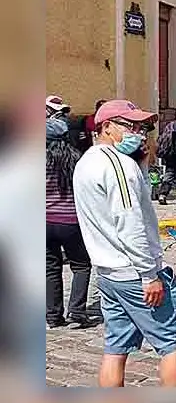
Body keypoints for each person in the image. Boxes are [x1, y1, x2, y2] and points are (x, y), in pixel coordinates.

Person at [73, 100, 176, 387]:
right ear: (106, 127)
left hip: (108, 272)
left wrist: (142, 162)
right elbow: (130, 223)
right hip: (134, 273)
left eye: (141, 127)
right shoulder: (117, 164)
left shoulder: (87, 161)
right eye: (130, 125)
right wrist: (150, 275)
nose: (138, 132)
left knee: (116, 348)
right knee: (174, 343)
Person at [46, 117, 94, 329]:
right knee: (81, 265)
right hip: (72, 220)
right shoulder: (78, 160)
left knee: (50, 267)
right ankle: (76, 310)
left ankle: (52, 316)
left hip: (43, 220)